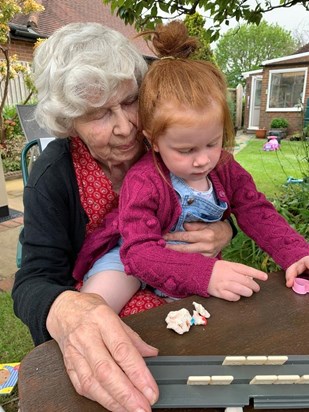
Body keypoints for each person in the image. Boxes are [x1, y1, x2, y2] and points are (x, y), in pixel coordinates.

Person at [12, 22, 235, 412]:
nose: (126, 125)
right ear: (70, 124)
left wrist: (224, 229)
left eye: (130, 100)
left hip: (185, 295)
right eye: (99, 113)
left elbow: (223, 194)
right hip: (110, 316)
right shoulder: (54, 176)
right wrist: (66, 309)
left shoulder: (166, 143)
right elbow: (33, 280)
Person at [74, 20, 309, 306]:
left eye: (212, 143)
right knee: (94, 309)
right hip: (132, 258)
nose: (203, 160)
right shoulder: (144, 179)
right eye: (185, 150)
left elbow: (255, 210)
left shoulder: (224, 168)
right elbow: (137, 253)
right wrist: (206, 274)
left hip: (190, 262)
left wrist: (296, 253)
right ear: (154, 141)